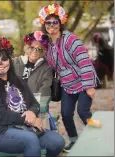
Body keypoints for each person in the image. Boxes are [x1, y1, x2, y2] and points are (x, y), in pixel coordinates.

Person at [0, 37, 65, 157]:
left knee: (57, 142)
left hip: (24, 128)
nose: (0, 64)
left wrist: (32, 112)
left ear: (10, 61)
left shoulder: (18, 81)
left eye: (4, 59)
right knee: (30, 140)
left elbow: (35, 103)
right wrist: (29, 119)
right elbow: (0, 117)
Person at [39, 4, 100, 152]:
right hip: (67, 84)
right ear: (44, 24)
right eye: (48, 22)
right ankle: (74, 141)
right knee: (66, 114)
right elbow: (47, 63)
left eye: (55, 22)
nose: (52, 25)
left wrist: (89, 86)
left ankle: (99, 137)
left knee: (83, 112)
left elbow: (84, 62)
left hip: (83, 81)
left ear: (60, 23)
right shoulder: (48, 44)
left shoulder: (71, 39)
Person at [13, 30, 53, 96]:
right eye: (32, 48)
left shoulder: (46, 68)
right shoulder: (15, 62)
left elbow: (45, 90)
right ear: (27, 48)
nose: (35, 51)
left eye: (39, 49)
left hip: (36, 103)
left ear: (42, 52)